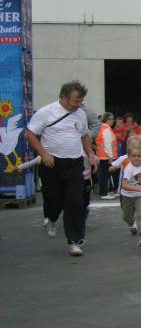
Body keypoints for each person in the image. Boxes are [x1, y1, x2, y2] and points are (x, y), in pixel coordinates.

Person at [25, 80, 97, 256]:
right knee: (54, 200)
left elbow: (84, 135)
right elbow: (30, 134)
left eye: (81, 101)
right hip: (51, 164)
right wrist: (44, 154)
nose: (78, 104)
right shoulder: (46, 112)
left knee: (76, 202)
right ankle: (52, 218)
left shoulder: (80, 114)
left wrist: (90, 154)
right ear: (63, 97)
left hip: (74, 164)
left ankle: (74, 241)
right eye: (75, 100)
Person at [95, 112, 118, 199]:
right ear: (106, 120)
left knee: (104, 175)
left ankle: (105, 192)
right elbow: (107, 144)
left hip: (102, 156)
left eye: (113, 119)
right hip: (105, 157)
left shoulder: (102, 128)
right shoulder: (106, 129)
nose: (112, 121)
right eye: (111, 119)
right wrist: (111, 156)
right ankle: (104, 193)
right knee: (104, 175)